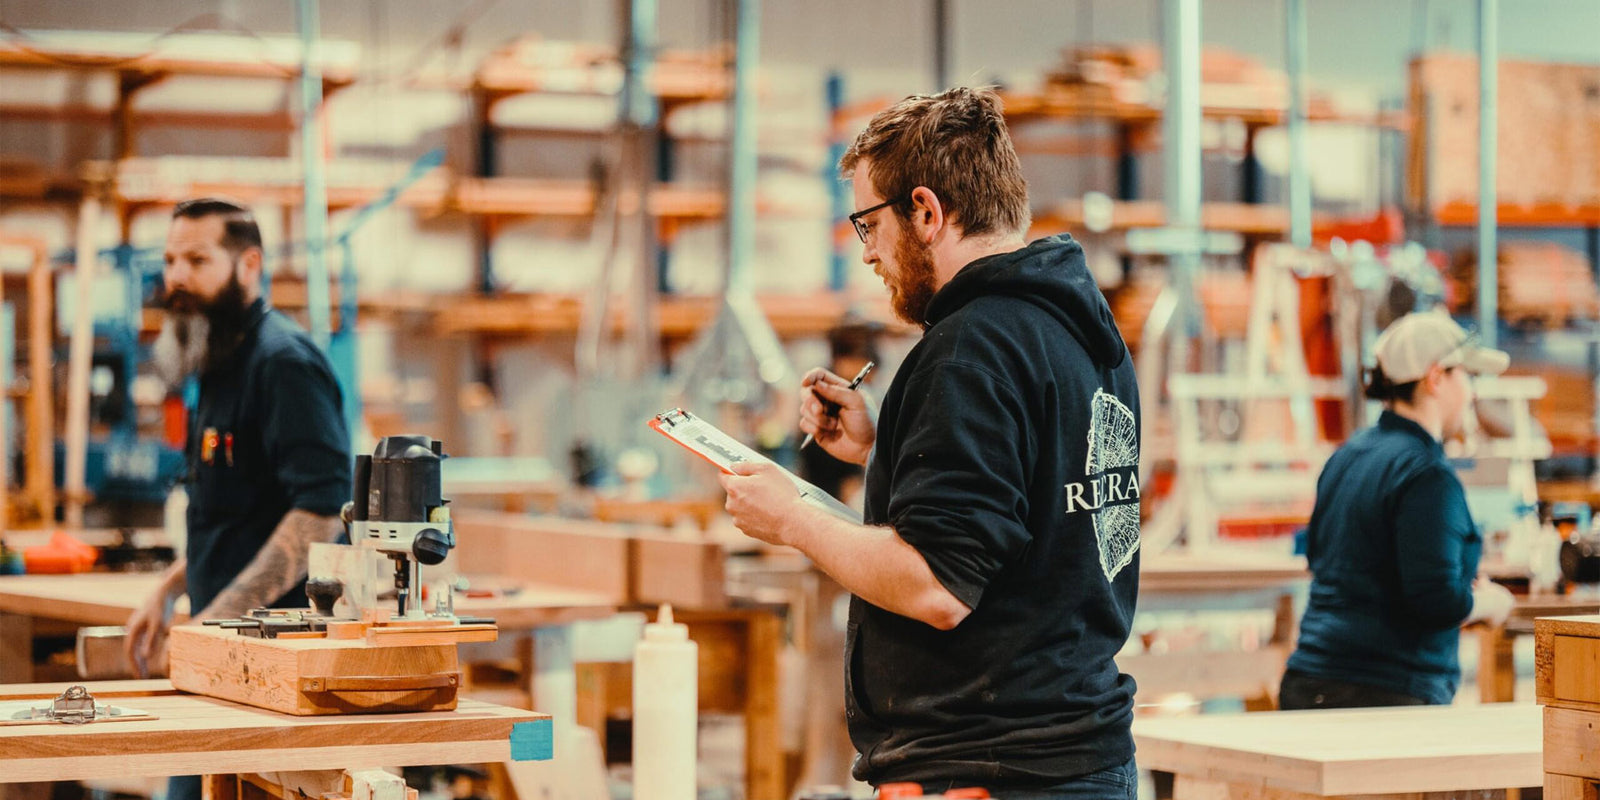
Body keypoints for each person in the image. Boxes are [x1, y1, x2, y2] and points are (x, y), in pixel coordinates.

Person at [719, 87, 1142, 798]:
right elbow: (1030, 491)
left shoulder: (971, 347)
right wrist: (886, 447)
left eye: (868, 224)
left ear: (925, 211)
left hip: (989, 770)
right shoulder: (1079, 327)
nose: (867, 254)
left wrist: (791, 518)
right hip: (1075, 756)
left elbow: (937, 585)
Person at [125, 198, 352, 800]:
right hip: (220, 659)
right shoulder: (219, 360)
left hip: (273, 673)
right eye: (171, 260)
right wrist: (169, 589)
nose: (176, 277)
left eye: (197, 260)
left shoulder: (282, 364)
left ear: (249, 264)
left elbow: (320, 514)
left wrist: (214, 622)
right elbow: (238, 515)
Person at [1281, 309, 1517, 710]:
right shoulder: (1426, 474)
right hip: (1383, 699)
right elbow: (1435, 601)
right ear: (1436, 377)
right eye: (1467, 376)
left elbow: (1323, 559)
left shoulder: (1348, 455)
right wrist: (1491, 603)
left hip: (1307, 685)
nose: (1473, 393)